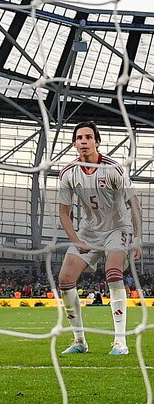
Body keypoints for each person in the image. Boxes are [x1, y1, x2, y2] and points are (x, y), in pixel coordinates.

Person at [56, 121, 142, 356]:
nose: (83, 141)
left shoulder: (113, 169)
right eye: (79, 138)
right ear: (74, 144)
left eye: (88, 137)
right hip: (88, 231)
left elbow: (133, 204)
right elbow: (64, 213)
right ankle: (79, 341)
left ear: (97, 142)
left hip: (118, 228)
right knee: (65, 279)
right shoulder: (68, 173)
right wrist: (75, 239)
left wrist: (137, 238)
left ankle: (120, 342)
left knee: (113, 272)